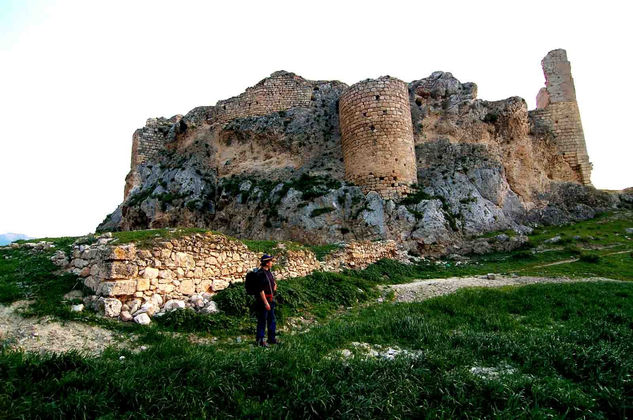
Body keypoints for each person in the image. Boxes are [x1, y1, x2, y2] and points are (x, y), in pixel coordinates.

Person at [254, 254, 280, 347]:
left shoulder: (269, 272)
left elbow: (272, 283)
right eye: (271, 261)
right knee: (262, 320)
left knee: (272, 320)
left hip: (271, 299)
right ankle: (260, 340)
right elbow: (260, 290)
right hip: (263, 301)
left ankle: (271, 338)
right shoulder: (260, 274)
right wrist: (265, 303)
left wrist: (274, 287)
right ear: (267, 263)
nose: (272, 263)